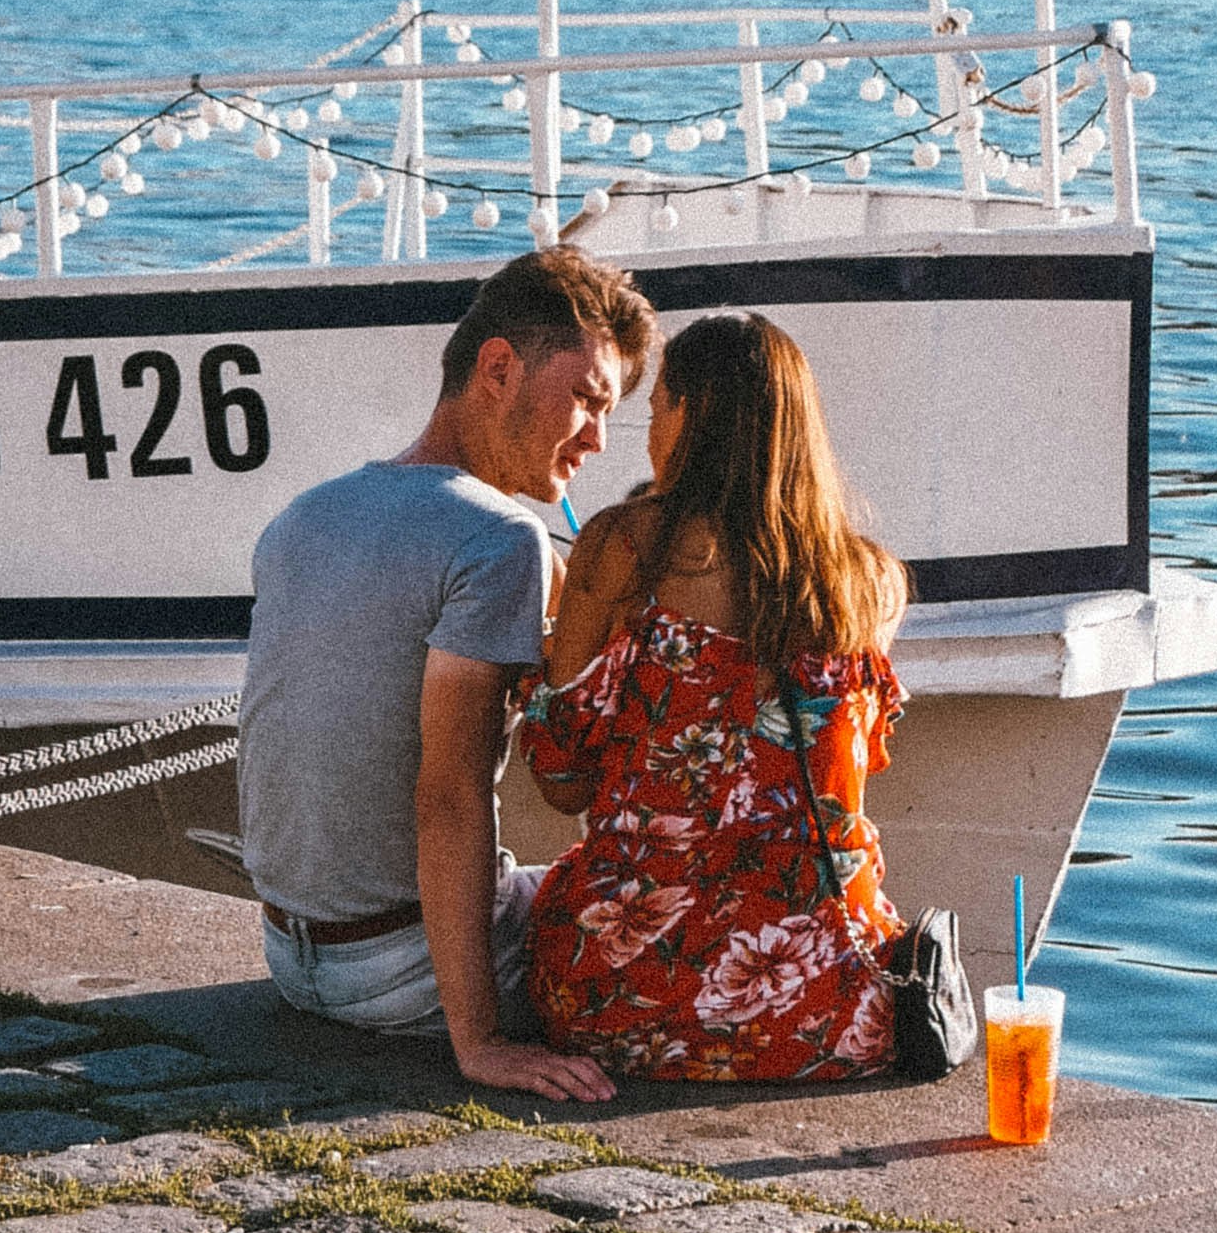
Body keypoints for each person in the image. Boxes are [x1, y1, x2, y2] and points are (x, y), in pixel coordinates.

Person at [239, 246, 656, 1099]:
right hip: (402, 976)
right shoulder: (500, 540)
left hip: (290, 956)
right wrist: (481, 1044)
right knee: (668, 900)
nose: (598, 438)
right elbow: (449, 796)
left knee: (553, 885)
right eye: (585, 399)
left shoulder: (304, 515)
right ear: (497, 368)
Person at [519, 310, 913, 1082]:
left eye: (658, 405)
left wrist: (549, 669)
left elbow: (560, 783)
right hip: (827, 1010)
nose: (646, 432)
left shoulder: (624, 547)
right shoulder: (873, 585)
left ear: (692, 413)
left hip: (623, 999)